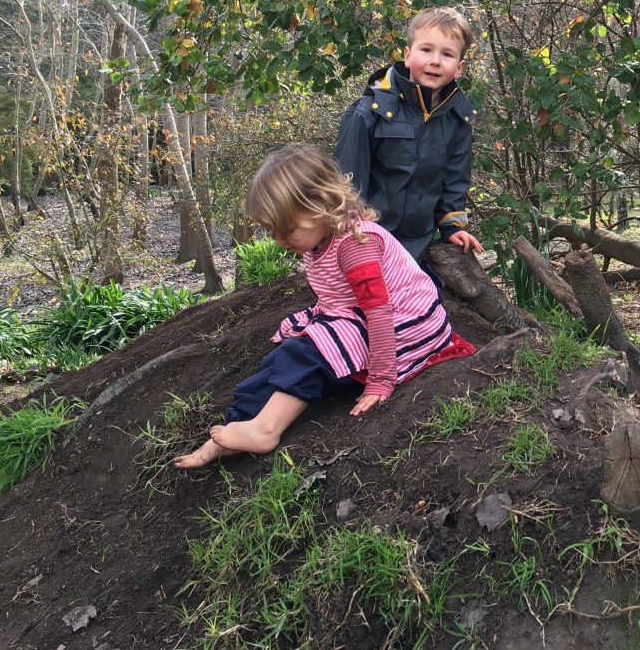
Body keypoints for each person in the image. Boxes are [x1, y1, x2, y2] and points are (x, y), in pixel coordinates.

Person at [175, 146, 474, 469]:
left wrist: (381, 379)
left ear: (321, 208)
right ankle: (237, 426)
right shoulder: (319, 237)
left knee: (309, 352)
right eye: (271, 230)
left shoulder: (355, 246)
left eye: (286, 229)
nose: (277, 239)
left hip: (404, 324)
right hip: (359, 314)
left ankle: (266, 430)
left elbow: (379, 312)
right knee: (281, 358)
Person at [333, 6, 483, 265]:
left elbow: (454, 181)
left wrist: (452, 227)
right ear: (407, 55)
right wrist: (351, 228)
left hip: (419, 243)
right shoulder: (371, 112)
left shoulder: (457, 120)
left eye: (446, 54)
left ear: (459, 67)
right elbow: (346, 180)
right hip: (366, 237)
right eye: (426, 50)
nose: (435, 61)